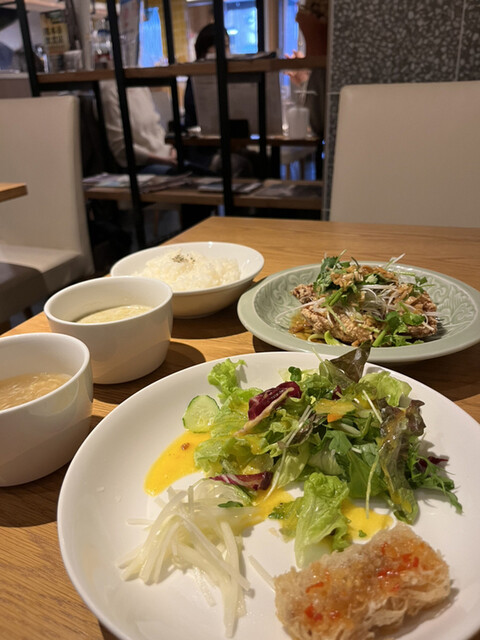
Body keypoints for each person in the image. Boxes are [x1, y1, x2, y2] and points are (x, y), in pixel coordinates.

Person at [99, 80, 177, 175]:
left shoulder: (140, 86)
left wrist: (171, 150)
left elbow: (157, 128)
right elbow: (121, 148)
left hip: (164, 158)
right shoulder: (109, 90)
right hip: (138, 166)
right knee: (183, 175)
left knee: (192, 170)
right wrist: (163, 160)